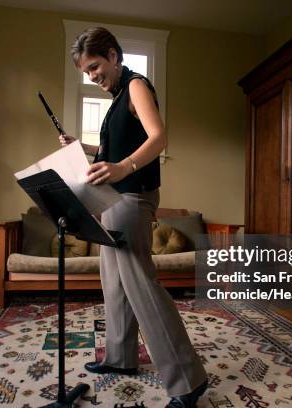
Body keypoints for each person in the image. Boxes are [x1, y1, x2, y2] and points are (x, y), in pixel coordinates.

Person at [58, 27, 208, 408]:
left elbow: (158, 137)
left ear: (112, 54)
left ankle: (188, 380)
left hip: (131, 197)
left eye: (95, 66)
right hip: (113, 198)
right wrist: (84, 146)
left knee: (140, 282)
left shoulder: (137, 85)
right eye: (86, 72)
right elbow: (114, 148)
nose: (92, 75)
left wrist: (123, 167)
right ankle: (120, 358)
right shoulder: (115, 100)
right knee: (114, 282)